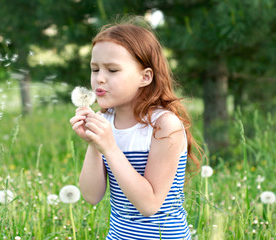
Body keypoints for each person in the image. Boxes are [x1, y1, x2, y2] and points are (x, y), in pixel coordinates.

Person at [70, 17, 200, 240]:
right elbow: (91, 196)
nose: (99, 79)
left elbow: (149, 204)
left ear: (145, 77)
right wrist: (94, 144)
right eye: (94, 69)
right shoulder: (106, 120)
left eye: (112, 70)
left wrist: (110, 148)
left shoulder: (164, 125)